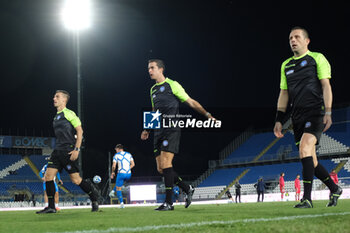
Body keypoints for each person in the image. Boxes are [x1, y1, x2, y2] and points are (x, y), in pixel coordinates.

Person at [274, 26, 342, 208]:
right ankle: (335, 189)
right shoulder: (285, 65)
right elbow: (283, 93)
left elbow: (326, 86)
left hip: (315, 112)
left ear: (307, 41)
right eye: (290, 38)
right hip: (296, 117)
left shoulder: (317, 58)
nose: (293, 40)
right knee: (311, 160)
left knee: (305, 148)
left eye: (296, 37)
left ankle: (307, 199)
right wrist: (279, 119)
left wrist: (328, 111)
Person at [141, 59, 216, 211]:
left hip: (172, 129)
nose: (149, 71)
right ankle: (187, 188)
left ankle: (169, 203)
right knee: (161, 169)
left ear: (161, 69)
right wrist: (147, 129)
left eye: (152, 68)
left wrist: (207, 114)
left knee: (166, 164)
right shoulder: (152, 90)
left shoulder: (173, 85)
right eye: (148, 68)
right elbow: (154, 110)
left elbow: (190, 101)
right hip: (158, 131)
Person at [36, 90, 100, 214]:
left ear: (64, 100)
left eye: (57, 96)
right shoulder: (56, 116)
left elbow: (80, 131)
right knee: (48, 177)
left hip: (68, 151)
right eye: (54, 96)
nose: (54, 98)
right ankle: (51, 207)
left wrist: (76, 149)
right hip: (57, 151)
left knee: (76, 180)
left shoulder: (69, 114)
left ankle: (94, 198)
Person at [109, 144, 135, 208]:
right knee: (119, 183)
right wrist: (127, 169)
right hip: (129, 174)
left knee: (119, 188)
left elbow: (114, 166)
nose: (116, 151)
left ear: (118, 149)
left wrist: (112, 172)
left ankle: (121, 204)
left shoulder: (116, 155)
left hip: (121, 174)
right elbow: (133, 164)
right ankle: (112, 191)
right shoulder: (129, 154)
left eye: (116, 150)